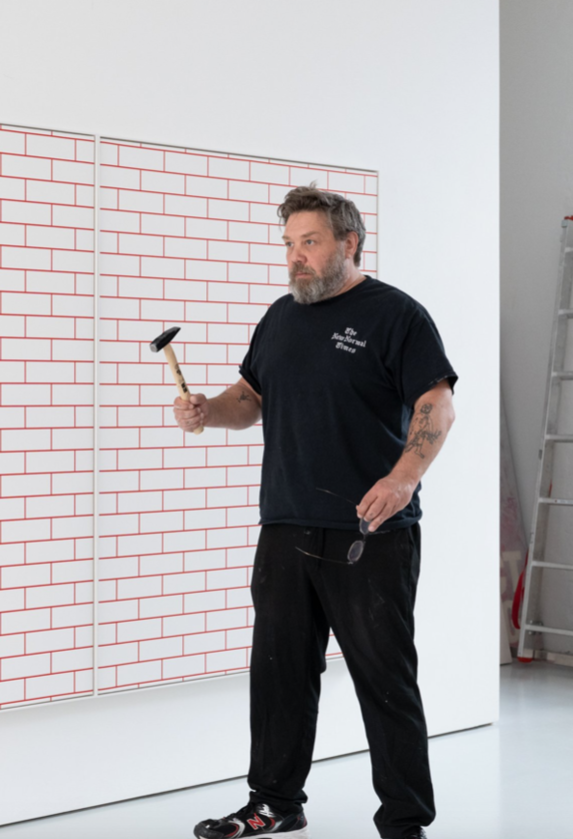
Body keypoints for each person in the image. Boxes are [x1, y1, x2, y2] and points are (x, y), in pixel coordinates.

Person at [174, 185, 457, 839]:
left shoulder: (396, 315)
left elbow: (436, 403)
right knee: (279, 671)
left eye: (310, 242)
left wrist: (404, 478)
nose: (295, 256)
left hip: (370, 530)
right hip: (286, 523)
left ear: (349, 243)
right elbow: (250, 398)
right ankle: (274, 802)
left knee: (384, 679)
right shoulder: (281, 317)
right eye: (289, 244)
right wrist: (208, 411)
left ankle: (405, 821)